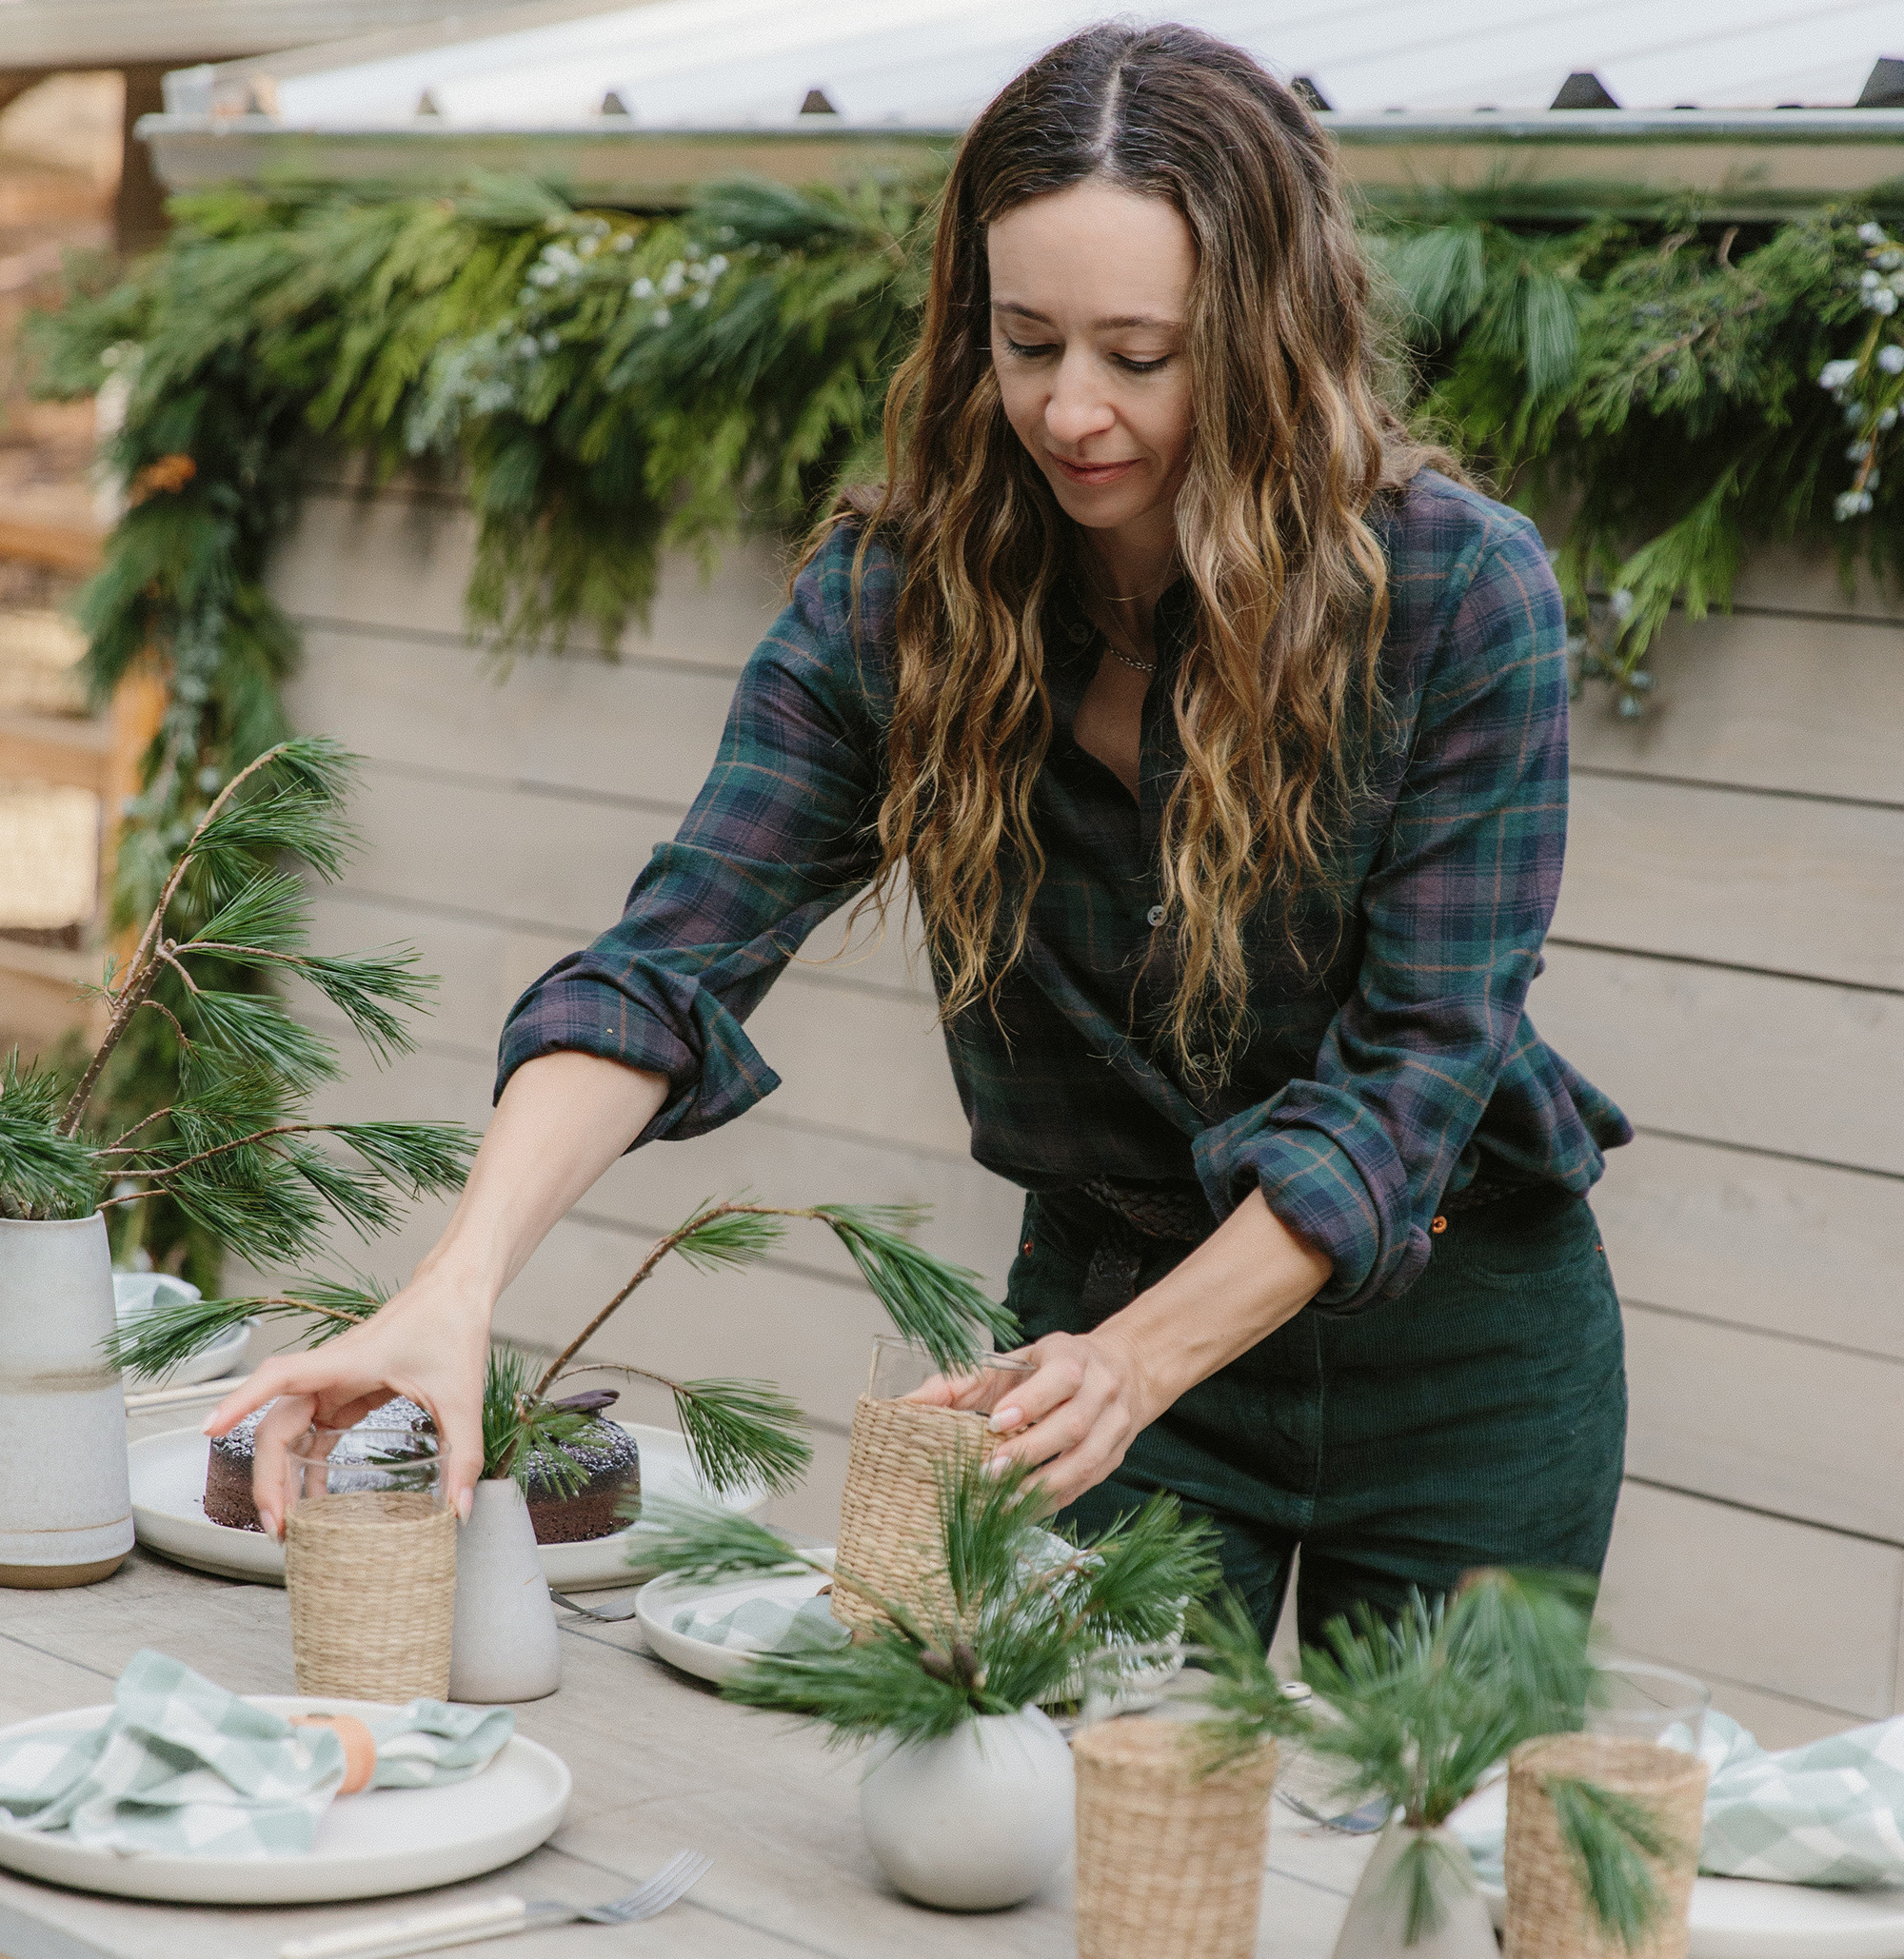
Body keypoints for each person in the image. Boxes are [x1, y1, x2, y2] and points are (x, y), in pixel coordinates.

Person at [209, 21, 1630, 1647]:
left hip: (1464, 1358)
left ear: (1266, 338)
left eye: (1140, 356)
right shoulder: (903, 601)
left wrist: (1139, 1364)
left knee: (1430, 1866)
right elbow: (668, 965)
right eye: (1027, 343)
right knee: (1073, 1842)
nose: (1070, 410)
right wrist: (450, 1292)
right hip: (1086, 1339)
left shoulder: (1457, 592)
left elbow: (1413, 1077)